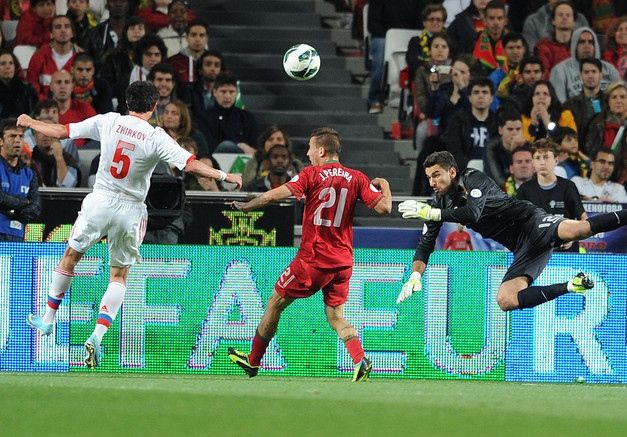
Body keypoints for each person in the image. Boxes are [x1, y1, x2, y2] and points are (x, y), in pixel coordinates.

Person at [19, 81, 242, 369]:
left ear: (126, 103)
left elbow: (62, 131)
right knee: (119, 274)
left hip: (100, 200)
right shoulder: (156, 136)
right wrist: (225, 176)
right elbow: (190, 164)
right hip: (130, 210)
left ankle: (48, 318)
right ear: (154, 107)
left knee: (71, 257)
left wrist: (31, 122)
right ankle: (97, 335)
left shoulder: (109, 121)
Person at [228, 127, 392, 382]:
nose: (307, 153)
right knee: (336, 316)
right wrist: (386, 186)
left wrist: (248, 205)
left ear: (322, 151)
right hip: (343, 262)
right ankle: (360, 359)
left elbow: (274, 195)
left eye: (310, 148)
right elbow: (385, 208)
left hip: (313, 259)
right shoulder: (357, 178)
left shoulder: (311, 174)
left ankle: (253, 360)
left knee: (275, 303)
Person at [397, 150, 627, 311]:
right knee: (506, 300)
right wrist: (415, 275)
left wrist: (432, 213)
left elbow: (473, 213)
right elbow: (426, 244)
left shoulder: (471, 178)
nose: (432, 182)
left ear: (452, 172)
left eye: (437, 175)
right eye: (429, 177)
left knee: (580, 231)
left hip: (531, 222)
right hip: (522, 247)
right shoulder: (438, 204)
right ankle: (572, 285)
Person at [516, 139, 586, 252]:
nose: (542, 162)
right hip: (536, 252)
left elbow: (583, 218)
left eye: (546, 157)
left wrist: (573, 238)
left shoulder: (568, 186)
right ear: (533, 162)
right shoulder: (525, 190)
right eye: (537, 158)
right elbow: (516, 221)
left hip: (566, 253)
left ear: (556, 160)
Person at [549, 27, 621, 103]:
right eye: (582, 42)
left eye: (590, 42)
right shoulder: (559, 71)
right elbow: (559, 104)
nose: (587, 46)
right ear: (574, 46)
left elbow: (622, 96)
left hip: (607, 109)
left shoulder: (609, 69)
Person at [0, 118, 41, 241]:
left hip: (18, 236)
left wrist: (13, 211)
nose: (17, 140)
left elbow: (36, 207)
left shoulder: (30, 174)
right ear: (1, 141)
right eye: (12, 136)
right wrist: (24, 202)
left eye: (21, 136)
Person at [26, 14, 78, 100]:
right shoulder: (38, 57)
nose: (63, 30)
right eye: (58, 27)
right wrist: (48, 105)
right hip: (44, 106)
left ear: (72, 33)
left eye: (67, 26)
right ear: (51, 34)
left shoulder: (80, 58)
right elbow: (32, 89)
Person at [0, 49, 38, 119]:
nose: (8, 67)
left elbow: (34, 113)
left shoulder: (27, 90)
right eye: (3, 63)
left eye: (11, 63)